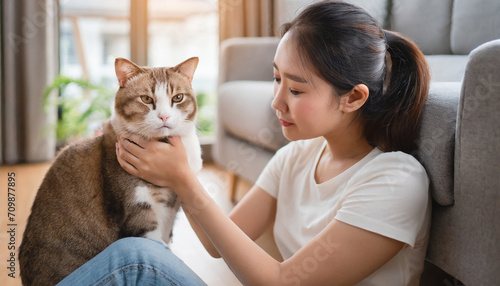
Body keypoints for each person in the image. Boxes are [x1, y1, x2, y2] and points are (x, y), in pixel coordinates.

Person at [60, 1, 431, 285]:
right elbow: (212, 242)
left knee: (136, 259)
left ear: (353, 98)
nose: (276, 101)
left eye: (296, 88)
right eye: (276, 79)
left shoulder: (395, 180)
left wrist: (185, 180)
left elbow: (282, 282)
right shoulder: (298, 157)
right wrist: (178, 170)